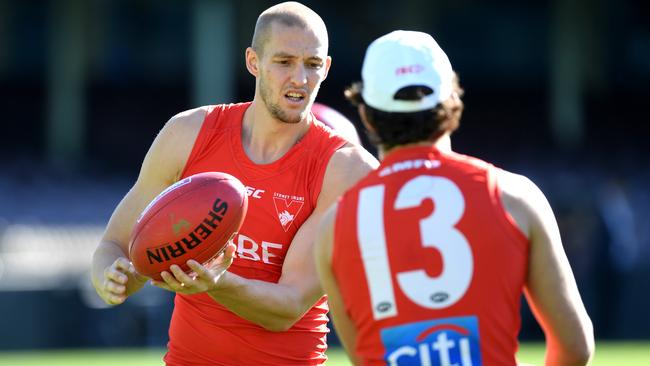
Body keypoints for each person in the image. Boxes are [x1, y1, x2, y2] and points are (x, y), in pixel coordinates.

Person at [91, 2, 378, 365]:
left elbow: (288, 306)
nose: (301, 79)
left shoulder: (348, 168)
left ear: (327, 68)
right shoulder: (189, 133)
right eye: (284, 61)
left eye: (312, 64)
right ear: (253, 61)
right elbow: (114, 246)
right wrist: (113, 276)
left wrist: (216, 283)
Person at [314, 30, 594, 365]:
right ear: (453, 100)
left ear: (366, 114)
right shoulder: (515, 197)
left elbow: (365, 356)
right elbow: (574, 347)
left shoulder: (333, 228)